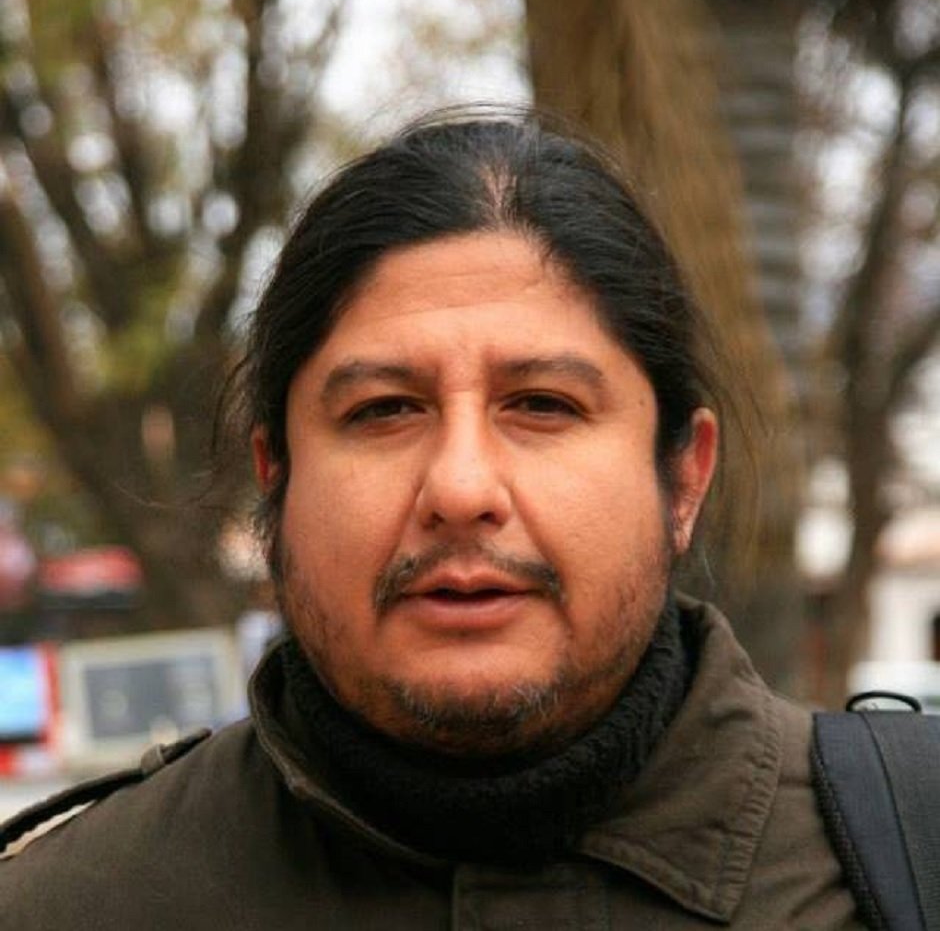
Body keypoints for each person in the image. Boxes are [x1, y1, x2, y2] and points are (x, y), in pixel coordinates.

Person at [0, 110, 862, 929]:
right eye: (383, 410)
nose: (459, 487)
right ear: (276, 480)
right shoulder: (67, 907)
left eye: (543, 404)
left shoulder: (893, 870)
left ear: (683, 480)